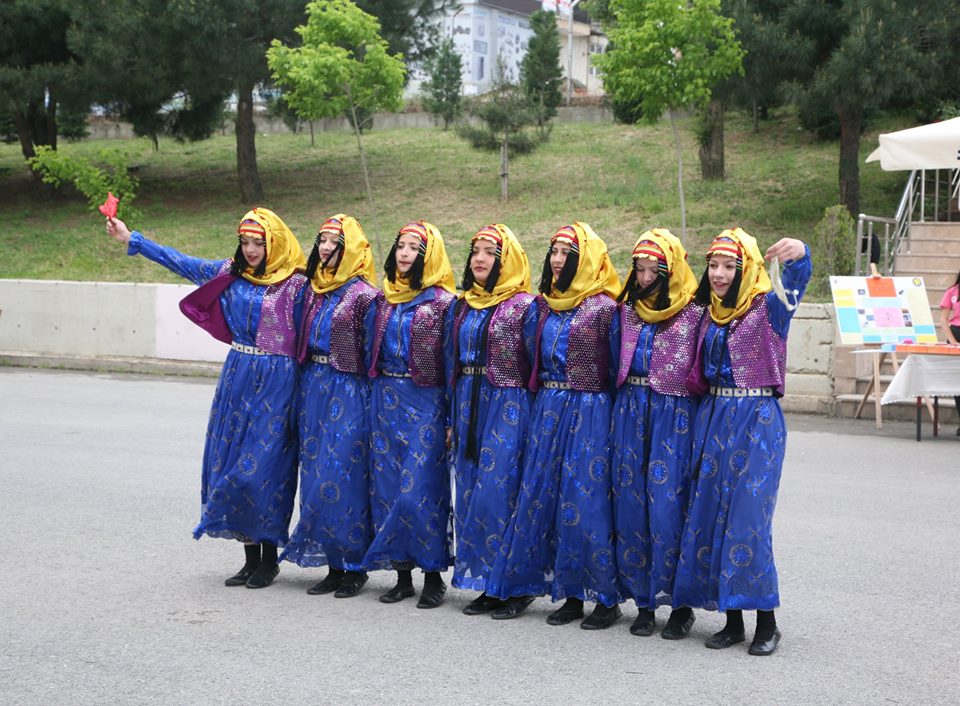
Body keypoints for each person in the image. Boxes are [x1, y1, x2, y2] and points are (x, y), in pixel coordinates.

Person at [105, 208, 307, 589]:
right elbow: (181, 263)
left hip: (279, 383)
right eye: (245, 242)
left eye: (258, 243)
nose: (250, 250)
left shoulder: (297, 285)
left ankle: (269, 558)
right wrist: (132, 239)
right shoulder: (229, 273)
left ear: (274, 242)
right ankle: (250, 558)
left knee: (264, 470)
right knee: (229, 465)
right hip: (238, 377)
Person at [673, 228, 810, 656]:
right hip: (713, 418)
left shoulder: (770, 310)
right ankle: (732, 621)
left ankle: (766, 622)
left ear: (746, 268)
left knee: (748, 521)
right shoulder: (708, 314)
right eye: (713, 265)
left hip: (756, 419)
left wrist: (800, 255)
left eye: (729, 266)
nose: (718, 274)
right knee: (713, 514)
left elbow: (795, 281)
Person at [487, 222, 623, 629]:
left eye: (568, 253)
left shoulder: (605, 308)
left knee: (586, 501)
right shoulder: (545, 305)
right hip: (548, 405)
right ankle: (565, 592)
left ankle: (603, 595)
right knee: (542, 497)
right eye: (555, 252)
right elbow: (528, 358)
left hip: (590, 409)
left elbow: (616, 367)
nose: (558, 260)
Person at [611, 229, 703, 639]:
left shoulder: (695, 314)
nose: (646, 278)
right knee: (632, 507)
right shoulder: (627, 310)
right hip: (631, 409)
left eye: (655, 270)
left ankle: (680, 605)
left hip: (674, 415)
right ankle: (644, 601)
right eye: (640, 269)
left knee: (669, 508)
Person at [281, 215, 379, 598]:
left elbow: (375, 351)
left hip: (349, 389)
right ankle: (331, 561)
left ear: (350, 248)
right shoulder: (312, 290)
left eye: (334, 242)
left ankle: (353, 565)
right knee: (317, 476)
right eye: (322, 240)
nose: (325, 247)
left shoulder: (365, 296)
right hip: (314, 388)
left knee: (346, 476)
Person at [362, 221, 457, 608]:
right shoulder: (382, 300)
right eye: (401, 246)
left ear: (428, 255)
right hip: (386, 400)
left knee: (420, 489)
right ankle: (402, 575)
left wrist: (451, 417)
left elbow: (452, 364)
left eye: (414, 248)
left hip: (426, 403)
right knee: (388, 486)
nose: (404, 253)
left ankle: (432, 575)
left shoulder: (443, 304)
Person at [446, 224, 538, 616]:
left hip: (509, 403)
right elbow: (452, 360)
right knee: (469, 491)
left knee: (500, 491)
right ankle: (486, 579)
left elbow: (537, 362)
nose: (480, 259)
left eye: (490, 252)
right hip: (468, 400)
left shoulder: (526, 307)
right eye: (476, 251)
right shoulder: (463, 303)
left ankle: (514, 584)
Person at [938, 269, 960, 434]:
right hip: (956, 334)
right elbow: (943, 320)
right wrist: (952, 341)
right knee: (957, 383)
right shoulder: (952, 291)